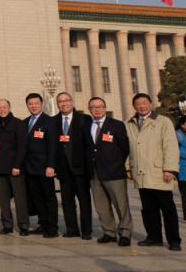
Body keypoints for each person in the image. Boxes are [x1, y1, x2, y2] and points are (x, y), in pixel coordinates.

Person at [126, 93, 182, 251]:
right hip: (141, 172)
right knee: (148, 209)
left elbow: (170, 146)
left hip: (159, 172)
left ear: (151, 104)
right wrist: (128, 167)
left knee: (167, 208)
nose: (142, 106)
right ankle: (154, 237)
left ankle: (174, 240)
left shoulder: (163, 121)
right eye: (138, 103)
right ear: (134, 106)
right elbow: (127, 147)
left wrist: (170, 169)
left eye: (144, 102)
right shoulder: (130, 124)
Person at [83, 96, 132, 246]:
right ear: (89, 110)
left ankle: (125, 233)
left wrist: (117, 163)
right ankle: (109, 232)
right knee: (101, 205)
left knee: (121, 204)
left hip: (113, 171)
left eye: (99, 107)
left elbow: (124, 148)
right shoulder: (86, 126)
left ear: (105, 108)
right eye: (93, 107)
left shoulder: (116, 125)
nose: (96, 110)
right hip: (94, 172)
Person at [54, 92, 92, 240]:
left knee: (84, 201)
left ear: (72, 102)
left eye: (66, 101)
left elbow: (88, 144)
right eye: (60, 102)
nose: (63, 104)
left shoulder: (83, 119)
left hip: (80, 167)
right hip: (63, 169)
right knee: (67, 201)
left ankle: (86, 230)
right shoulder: (54, 121)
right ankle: (72, 229)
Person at [23, 92, 59, 238]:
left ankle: (52, 227)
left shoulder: (49, 121)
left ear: (41, 104)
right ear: (27, 105)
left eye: (36, 103)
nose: (33, 106)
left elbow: (53, 146)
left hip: (44, 168)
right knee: (36, 198)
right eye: (30, 104)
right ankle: (43, 223)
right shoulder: (25, 122)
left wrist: (51, 166)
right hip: (30, 168)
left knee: (48, 198)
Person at [0, 99, 30, 236]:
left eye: (4, 107)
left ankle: (23, 225)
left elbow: (22, 147)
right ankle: (7, 225)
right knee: (3, 200)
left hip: (15, 168)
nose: (2, 109)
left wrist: (17, 165)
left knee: (20, 199)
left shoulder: (18, 124)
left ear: (9, 108)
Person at [177, 116, 186, 220]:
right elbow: (177, 151)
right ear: (182, 124)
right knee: (185, 194)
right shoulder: (177, 135)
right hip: (182, 170)